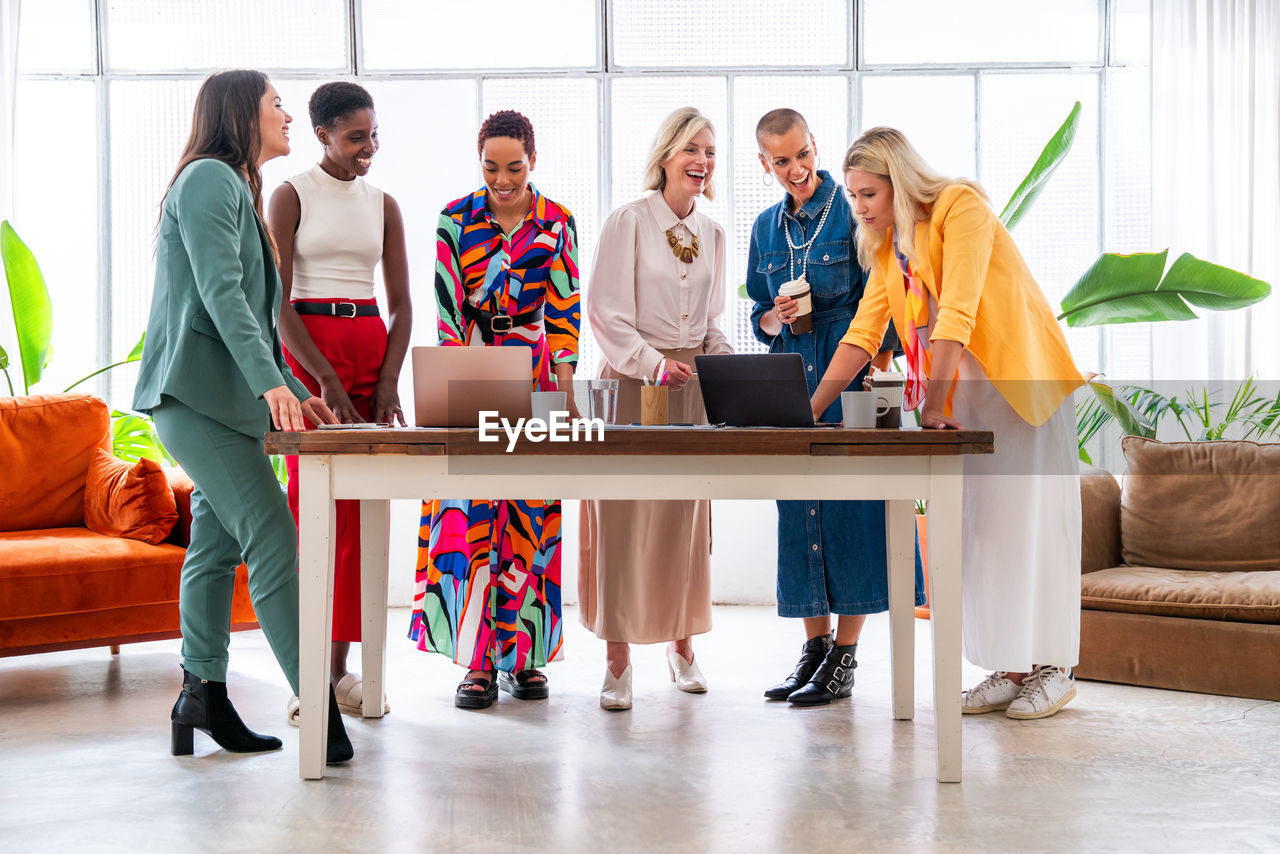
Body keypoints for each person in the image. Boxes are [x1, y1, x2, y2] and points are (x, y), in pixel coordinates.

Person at [811, 126, 1085, 720]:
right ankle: (1011, 667)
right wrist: (807, 409)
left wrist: (931, 404)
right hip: (969, 401)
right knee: (983, 533)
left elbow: (957, 309)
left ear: (900, 183)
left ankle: (1055, 668)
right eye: (853, 196)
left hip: (1018, 385)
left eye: (868, 194)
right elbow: (864, 332)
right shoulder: (885, 248)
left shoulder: (960, 208)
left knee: (1031, 524)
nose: (858, 208)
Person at [132, 69, 353, 762]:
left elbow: (250, 316)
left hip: (215, 401)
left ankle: (202, 696)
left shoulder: (234, 188)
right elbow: (219, 292)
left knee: (217, 547)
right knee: (274, 539)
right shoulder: (208, 180)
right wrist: (269, 386)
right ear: (240, 114)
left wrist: (292, 384)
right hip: (194, 398)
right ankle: (318, 711)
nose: (288, 116)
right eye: (277, 105)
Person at [745, 109, 922, 706]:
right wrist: (776, 315)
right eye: (781, 161)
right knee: (798, 513)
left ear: (814, 145)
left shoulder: (854, 210)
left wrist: (884, 364)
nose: (796, 170)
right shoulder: (765, 229)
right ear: (764, 164)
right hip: (792, 385)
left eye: (802, 154)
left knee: (852, 513)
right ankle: (814, 649)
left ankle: (845, 656)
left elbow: (889, 295)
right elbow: (760, 322)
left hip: (849, 384)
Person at [409, 110, 580, 710]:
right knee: (474, 508)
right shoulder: (455, 219)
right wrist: (459, 383)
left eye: (515, 167)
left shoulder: (557, 222)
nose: (502, 179)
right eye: (491, 167)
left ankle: (525, 654)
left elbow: (564, 314)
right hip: (475, 366)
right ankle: (478, 662)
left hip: (533, 370)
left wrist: (559, 394)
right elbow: (447, 311)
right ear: (477, 161)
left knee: (531, 512)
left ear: (533, 160)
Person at [268, 81, 411, 725]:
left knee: (364, 510)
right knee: (314, 506)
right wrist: (321, 379)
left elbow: (404, 305)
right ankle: (309, 679)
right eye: (356, 137)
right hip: (311, 343)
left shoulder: (384, 204)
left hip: (370, 343)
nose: (368, 148)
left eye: (372, 135)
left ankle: (341, 669)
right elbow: (276, 302)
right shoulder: (290, 195)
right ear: (322, 132)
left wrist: (387, 381)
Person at [580, 106, 733, 711]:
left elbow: (713, 324)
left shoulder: (715, 233)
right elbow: (606, 314)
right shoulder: (628, 222)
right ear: (666, 154)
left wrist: (727, 364)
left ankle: (682, 646)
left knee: (683, 517)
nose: (702, 161)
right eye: (691, 149)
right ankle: (617, 660)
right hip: (629, 381)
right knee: (619, 517)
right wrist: (653, 364)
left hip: (690, 386)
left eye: (711, 152)